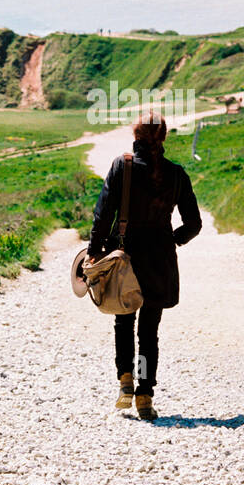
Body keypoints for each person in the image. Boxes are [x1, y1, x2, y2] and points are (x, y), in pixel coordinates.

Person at [87, 112, 202, 419]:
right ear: (163, 138)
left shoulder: (122, 167)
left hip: (124, 256)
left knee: (123, 322)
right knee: (149, 332)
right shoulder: (177, 173)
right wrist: (173, 239)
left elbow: (102, 216)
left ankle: (126, 380)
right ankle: (145, 395)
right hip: (160, 259)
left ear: (135, 136)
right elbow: (194, 223)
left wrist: (93, 251)